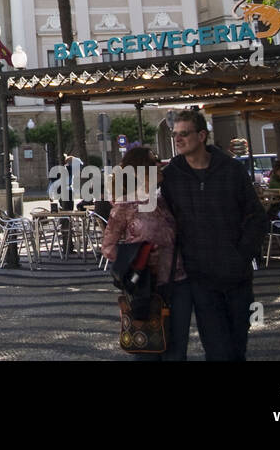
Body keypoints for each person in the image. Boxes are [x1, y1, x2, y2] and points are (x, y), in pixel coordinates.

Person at [161, 109, 266, 361]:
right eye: (175, 134)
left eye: (184, 134)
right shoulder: (171, 176)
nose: (178, 139)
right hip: (201, 278)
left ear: (202, 136)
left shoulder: (231, 170)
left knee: (237, 345)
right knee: (217, 349)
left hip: (237, 276)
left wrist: (241, 254)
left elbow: (256, 217)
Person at [101, 148, 188, 360]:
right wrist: (137, 260)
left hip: (178, 283)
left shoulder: (163, 200)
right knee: (148, 350)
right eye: (153, 162)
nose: (159, 164)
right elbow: (108, 247)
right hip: (147, 289)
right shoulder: (126, 205)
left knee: (177, 351)